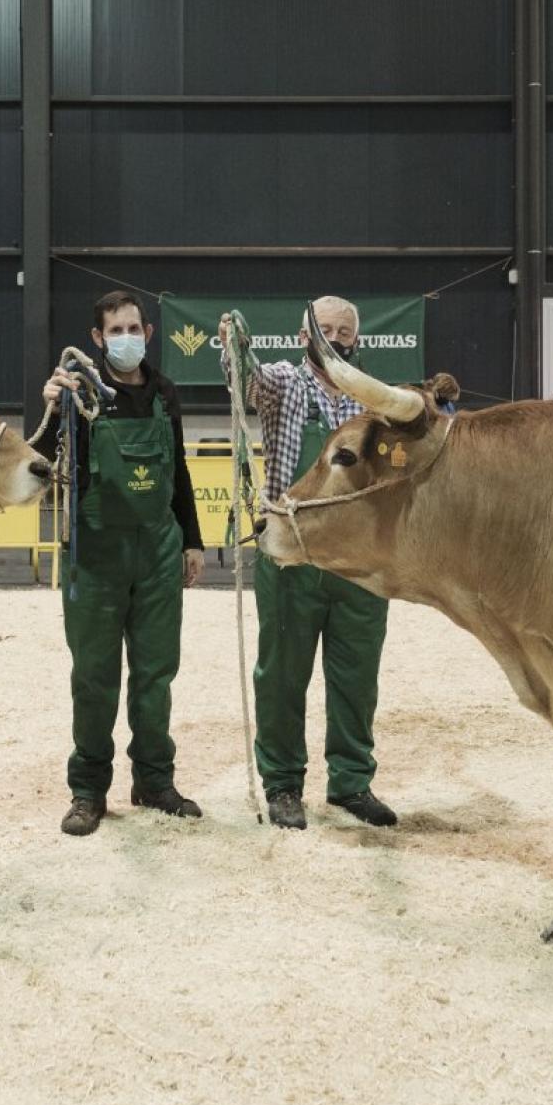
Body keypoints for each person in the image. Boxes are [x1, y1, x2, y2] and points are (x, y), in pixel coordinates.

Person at [219, 298, 395, 831]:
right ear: (303, 338)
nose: (336, 338)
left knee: (358, 679)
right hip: (291, 556)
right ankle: (283, 784)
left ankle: (351, 782)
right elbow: (244, 378)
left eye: (345, 331)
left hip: (362, 563)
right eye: (325, 330)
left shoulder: (374, 403)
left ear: (356, 339)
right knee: (282, 676)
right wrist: (236, 345)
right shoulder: (283, 385)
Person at [38, 290, 206, 837]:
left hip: (158, 552)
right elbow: (39, 458)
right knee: (94, 677)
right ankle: (88, 790)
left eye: (134, 328)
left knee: (156, 675)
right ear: (97, 338)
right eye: (115, 330)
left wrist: (193, 542)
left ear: (149, 334)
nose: (126, 338)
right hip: (97, 552)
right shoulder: (76, 394)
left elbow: (177, 470)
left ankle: (154, 781)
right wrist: (49, 406)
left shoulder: (164, 392)